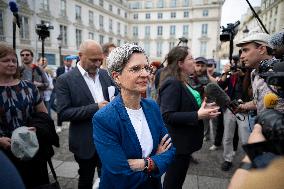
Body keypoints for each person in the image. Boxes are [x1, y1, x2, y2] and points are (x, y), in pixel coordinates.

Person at [92, 43, 175, 188]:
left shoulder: (152, 107)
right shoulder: (104, 118)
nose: (145, 74)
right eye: (136, 69)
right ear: (117, 77)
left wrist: (144, 163)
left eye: (146, 67)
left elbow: (170, 151)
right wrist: (156, 160)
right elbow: (120, 175)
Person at [56, 40, 118, 189]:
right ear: (80, 56)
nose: (97, 64)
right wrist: (95, 108)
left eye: (100, 60)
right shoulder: (65, 80)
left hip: (108, 139)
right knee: (85, 179)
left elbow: (116, 96)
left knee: (109, 178)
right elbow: (63, 113)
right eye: (93, 60)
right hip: (85, 142)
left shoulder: (105, 75)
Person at [157, 46, 220, 189]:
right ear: (180, 63)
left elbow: (186, 105)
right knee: (173, 182)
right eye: (191, 59)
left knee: (177, 180)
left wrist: (203, 109)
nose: (194, 61)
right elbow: (167, 115)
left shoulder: (184, 80)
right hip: (178, 144)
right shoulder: (172, 82)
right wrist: (198, 115)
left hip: (185, 143)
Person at [0, 44, 49, 188]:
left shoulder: (29, 87)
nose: (11, 64)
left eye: (14, 60)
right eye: (6, 60)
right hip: (4, 155)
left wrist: (37, 128)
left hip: (29, 149)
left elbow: (43, 114)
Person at [54, 55, 74, 132]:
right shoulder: (60, 69)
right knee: (60, 108)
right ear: (64, 61)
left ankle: (70, 121)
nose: (69, 62)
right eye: (67, 61)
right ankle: (59, 125)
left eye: (70, 61)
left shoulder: (73, 69)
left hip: (72, 92)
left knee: (72, 107)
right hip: (62, 92)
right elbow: (57, 80)